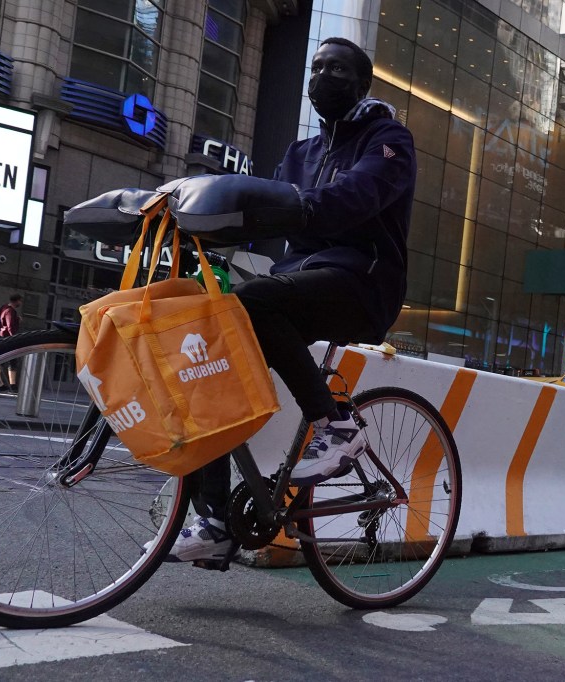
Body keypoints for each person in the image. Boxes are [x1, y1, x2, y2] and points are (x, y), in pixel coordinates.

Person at [169, 37, 417, 562]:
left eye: (337, 69)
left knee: (257, 301)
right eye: (317, 66)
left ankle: (337, 425)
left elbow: (357, 195)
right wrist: (197, 226)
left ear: (362, 83)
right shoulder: (299, 153)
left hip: (363, 280)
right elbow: (262, 213)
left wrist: (300, 206)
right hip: (301, 276)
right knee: (202, 356)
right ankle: (214, 523)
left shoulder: (388, 139)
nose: (323, 76)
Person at [0, 294, 23, 394]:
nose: (21, 303)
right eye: (20, 301)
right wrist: (14, 336)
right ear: (17, 301)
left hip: (2, 338)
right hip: (7, 339)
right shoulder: (10, 311)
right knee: (6, 363)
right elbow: (10, 326)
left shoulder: (4, 307)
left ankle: (1, 386)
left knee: (4, 362)